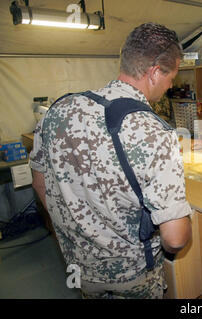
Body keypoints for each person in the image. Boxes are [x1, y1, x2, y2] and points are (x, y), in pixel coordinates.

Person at [30, 23, 192, 299]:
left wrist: (80, 231)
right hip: (133, 276)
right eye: (171, 77)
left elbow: (39, 183)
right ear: (154, 73)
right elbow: (175, 238)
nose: (170, 85)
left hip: (80, 268)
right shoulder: (153, 132)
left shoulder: (57, 111)